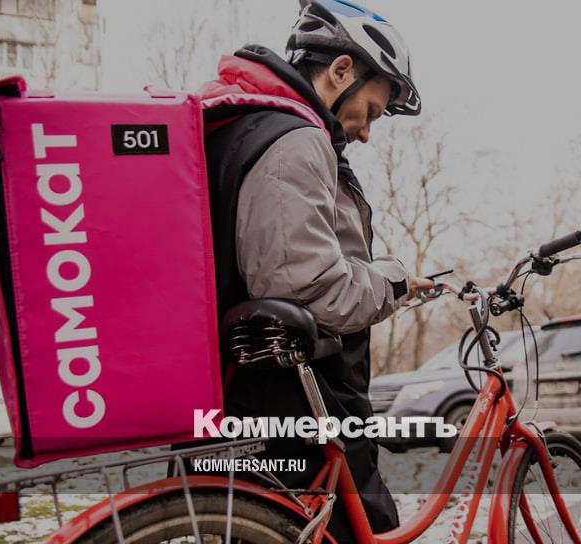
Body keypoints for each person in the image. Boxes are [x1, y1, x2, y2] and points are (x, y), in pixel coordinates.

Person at [197, 1, 432, 540]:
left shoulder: (249, 123)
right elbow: (306, 287)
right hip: (294, 399)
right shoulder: (293, 139)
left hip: (243, 394)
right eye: (373, 111)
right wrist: (393, 281)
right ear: (342, 70)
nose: (368, 132)